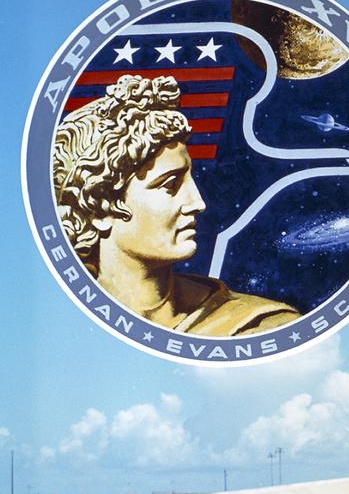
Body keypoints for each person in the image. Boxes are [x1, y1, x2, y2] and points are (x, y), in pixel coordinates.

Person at [53, 74, 299, 337]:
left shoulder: (261, 327)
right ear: (99, 207)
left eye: (189, 179)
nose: (198, 203)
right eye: (170, 185)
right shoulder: (58, 326)